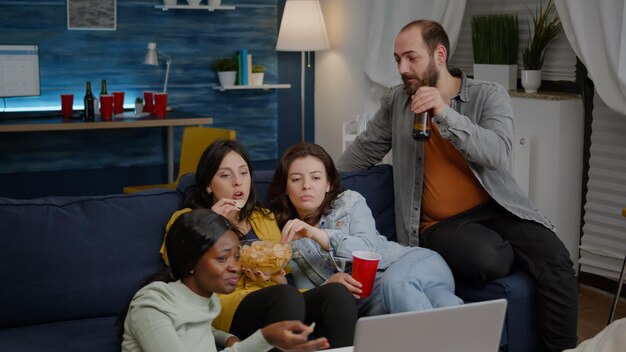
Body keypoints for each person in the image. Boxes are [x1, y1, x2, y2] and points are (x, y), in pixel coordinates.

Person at [336, 19, 577, 352]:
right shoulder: (397, 102)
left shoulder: (487, 95)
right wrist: (315, 180)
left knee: (558, 259)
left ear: (439, 54)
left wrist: (445, 113)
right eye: (397, 60)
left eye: (411, 57)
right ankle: (514, 252)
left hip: (498, 209)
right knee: (487, 257)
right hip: (439, 224)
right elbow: (362, 151)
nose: (403, 68)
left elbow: (498, 153)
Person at [161, 139, 357, 347]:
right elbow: (177, 264)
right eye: (225, 175)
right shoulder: (188, 218)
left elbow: (282, 279)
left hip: (275, 296)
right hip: (223, 302)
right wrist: (210, 221)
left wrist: (272, 274)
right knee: (285, 297)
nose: (237, 182)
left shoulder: (264, 217)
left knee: (337, 295)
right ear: (209, 184)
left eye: (243, 173)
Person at [268, 142, 463, 317]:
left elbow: (367, 248)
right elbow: (307, 296)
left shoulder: (348, 201)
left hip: (415, 264)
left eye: (316, 178)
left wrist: (315, 233)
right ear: (285, 187)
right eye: (296, 179)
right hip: (380, 299)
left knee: (396, 283)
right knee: (445, 308)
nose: (307, 186)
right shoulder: (289, 241)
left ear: (328, 184)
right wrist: (330, 284)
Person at [121, 209, 329, 352]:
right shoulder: (151, 304)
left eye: (237, 257)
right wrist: (264, 338)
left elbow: (194, 330)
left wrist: (227, 337)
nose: (234, 267)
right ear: (191, 262)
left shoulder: (206, 302)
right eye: (222, 258)